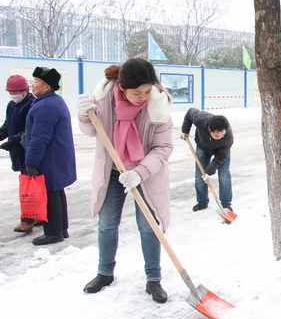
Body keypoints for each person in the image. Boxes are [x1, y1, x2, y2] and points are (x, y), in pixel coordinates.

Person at [76, 58, 173, 304]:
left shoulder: (158, 107)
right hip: (112, 169)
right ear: (121, 87)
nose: (143, 97)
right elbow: (90, 131)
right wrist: (84, 114)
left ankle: (153, 279)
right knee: (107, 224)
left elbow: (163, 148)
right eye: (136, 93)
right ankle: (104, 273)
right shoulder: (104, 101)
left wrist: (140, 172)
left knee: (149, 225)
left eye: (147, 91)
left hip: (146, 174)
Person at [24, 67, 77, 245]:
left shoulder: (45, 106)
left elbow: (40, 138)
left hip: (49, 158)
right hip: (57, 156)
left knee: (49, 194)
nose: (32, 85)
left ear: (46, 86)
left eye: (36, 82)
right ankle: (62, 229)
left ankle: (53, 232)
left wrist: (30, 162)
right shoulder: (55, 101)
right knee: (56, 192)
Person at [1, 74, 39, 233]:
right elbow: (7, 125)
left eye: (16, 92)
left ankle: (28, 220)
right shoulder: (12, 105)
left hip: (28, 151)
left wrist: (14, 140)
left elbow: (30, 130)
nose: (13, 95)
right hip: (17, 152)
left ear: (25, 90)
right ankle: (38, 215)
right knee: (31, 185)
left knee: (28, 188)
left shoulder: (32, 104)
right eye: (11, 92)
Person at [180, 108, 233, 212]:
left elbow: (221, 157)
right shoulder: (201, 119)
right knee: (200, 176)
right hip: (203, 147)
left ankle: (226, 204)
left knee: (224, 176)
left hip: (221, 152)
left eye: (222, 135)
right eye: (217, 135)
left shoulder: (227, 137)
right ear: (209, 130)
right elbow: (190, 112)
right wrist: (185, 130)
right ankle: (202, 202)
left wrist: (209, 171)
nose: (220, 137)